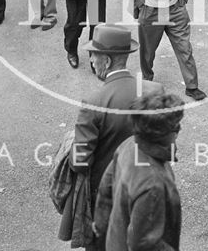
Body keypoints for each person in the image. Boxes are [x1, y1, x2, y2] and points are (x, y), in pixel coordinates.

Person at [67, 24, 163, 250]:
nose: (91, 61)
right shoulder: (154, 90)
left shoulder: (93, 103)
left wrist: (69, 147)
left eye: (93, 56)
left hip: (108, 200)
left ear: (107, 61)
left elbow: (80, 162)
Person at [94, 92, 184, 251]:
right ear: (160, 135)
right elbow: (143, 245)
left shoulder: (128, 145)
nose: (179, 129)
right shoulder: (152, 184)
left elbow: (105, 189)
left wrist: (100, 225)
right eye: (175, 127)